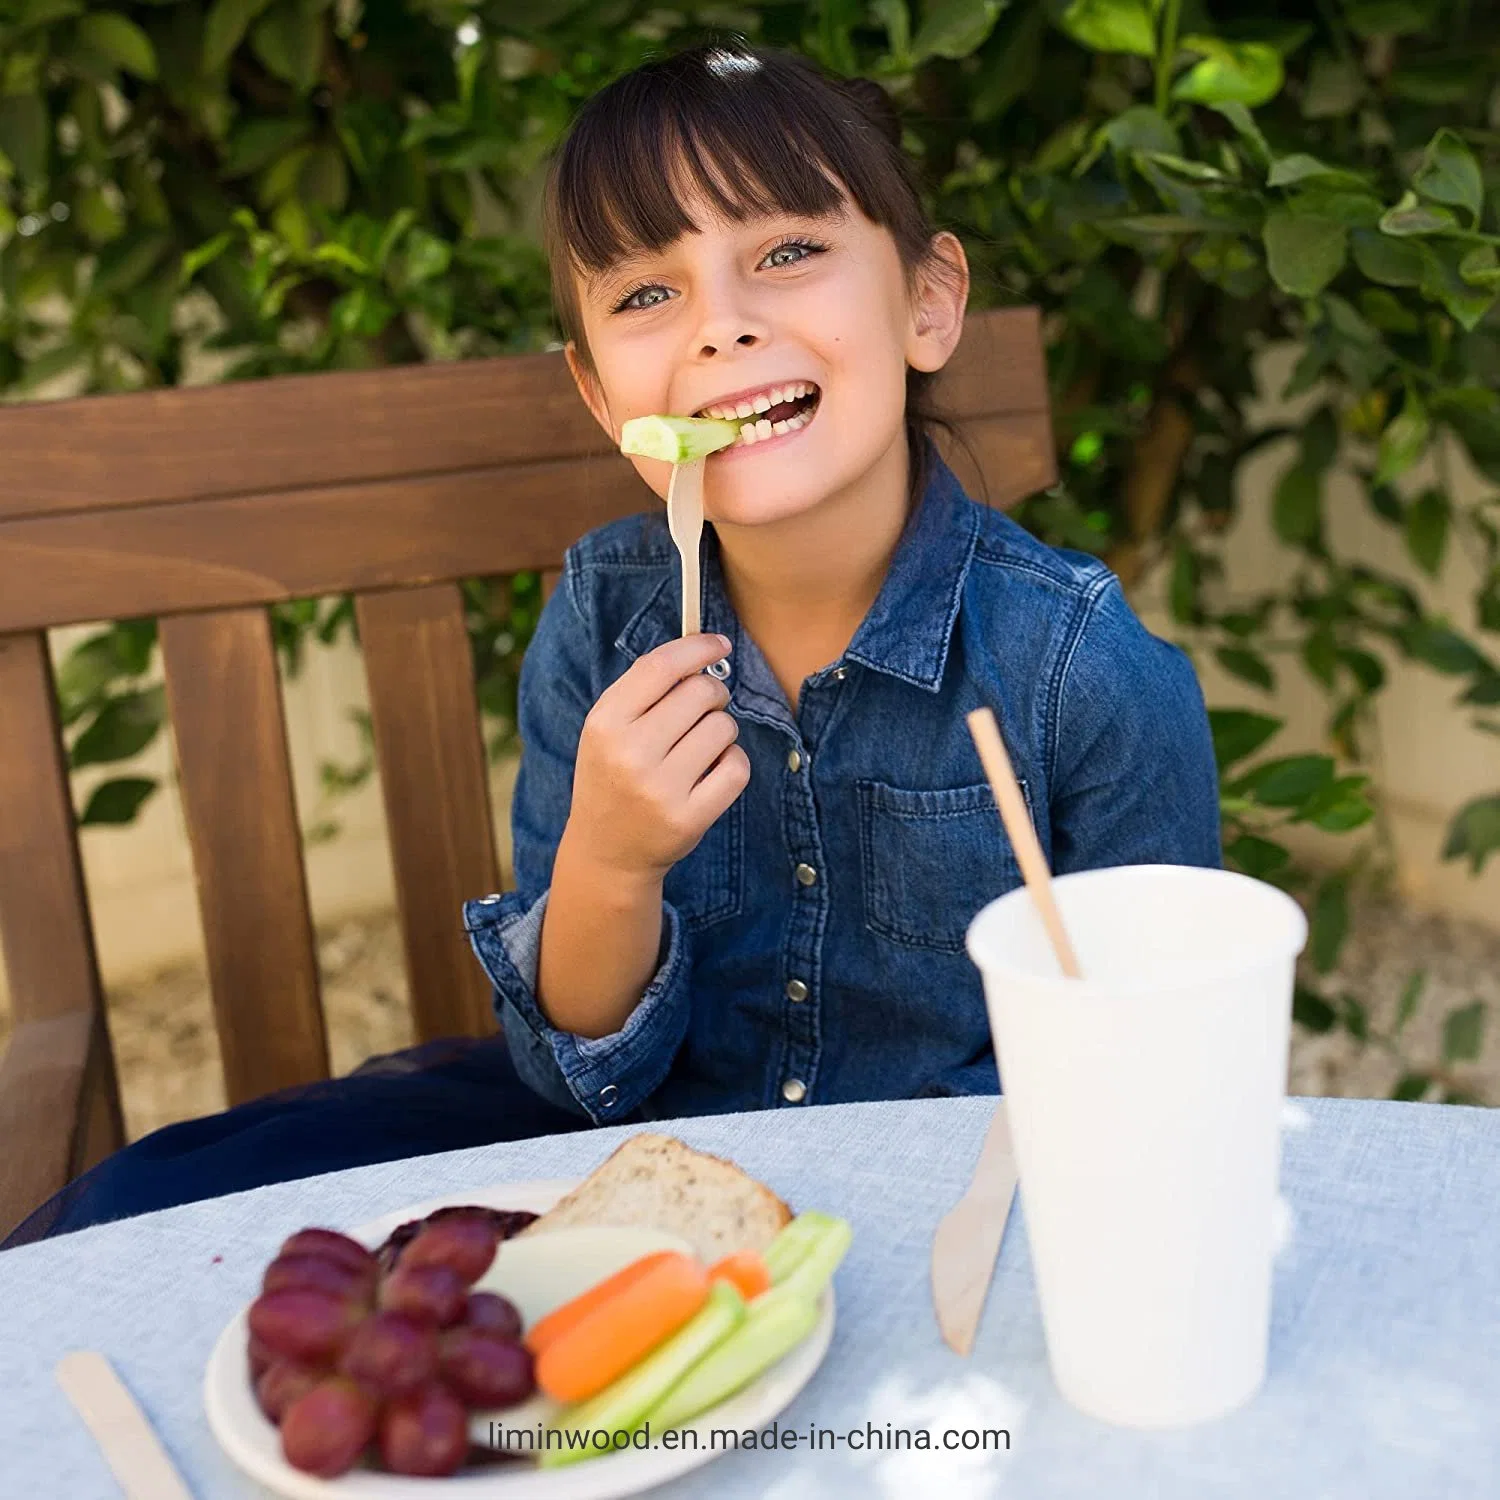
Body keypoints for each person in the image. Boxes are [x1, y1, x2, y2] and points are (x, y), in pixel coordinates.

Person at [3, 40, 1218, 1247]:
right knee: (145, 1220)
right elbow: (569, 1070)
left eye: (787, 252)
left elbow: (1163, 1069)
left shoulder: (1080, 670)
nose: (722, 326)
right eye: (648, 292)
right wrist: (612, 863)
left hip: (964, 1216)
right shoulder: (603, 622)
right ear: (600, 394)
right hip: (638, 1199)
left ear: (927, 304)